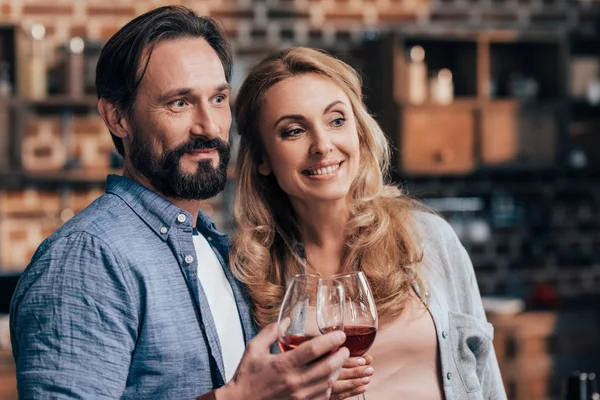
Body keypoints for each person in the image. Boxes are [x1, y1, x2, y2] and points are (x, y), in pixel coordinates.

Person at [9, 7, 352, 400]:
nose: (209, 126)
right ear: (117, 117)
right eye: (179, 103)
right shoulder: (88, 258)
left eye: (219, 98)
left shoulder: (213, 248)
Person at [231, 47, 508, 399]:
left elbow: (487, 380)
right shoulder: (248, 277)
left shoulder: (428, 239)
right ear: (262, 159)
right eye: (294, 131)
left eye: (336, 121)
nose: (323, 145)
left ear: (359, 133)